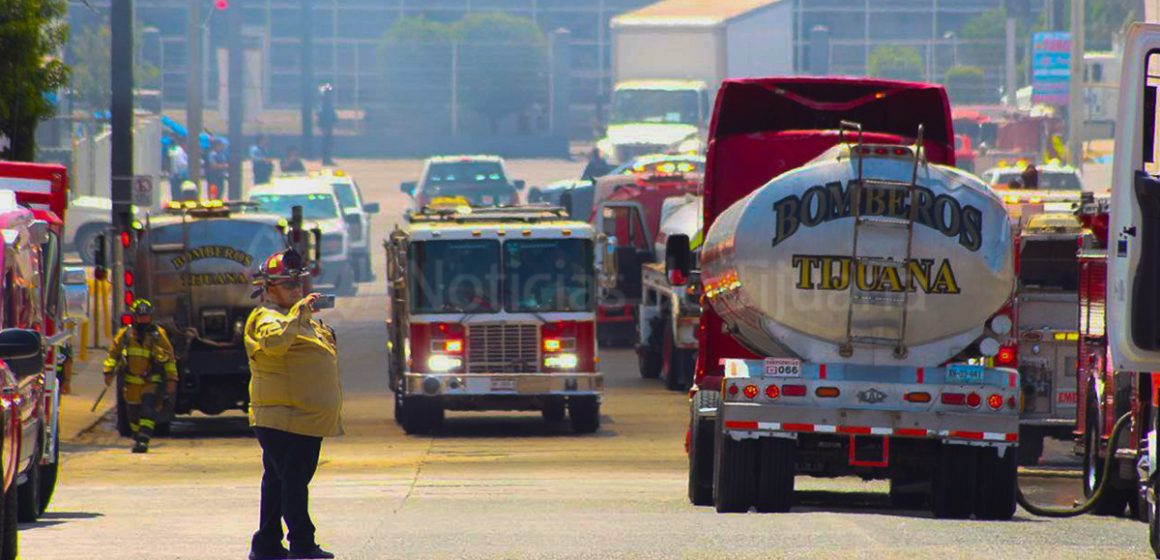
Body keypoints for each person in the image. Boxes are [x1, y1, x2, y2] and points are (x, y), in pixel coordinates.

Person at [246, 248, 341, 560]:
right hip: (285, 418)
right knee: (294, 482)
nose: (297, 291)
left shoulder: (295, 317)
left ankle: (267, 544)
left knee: (277, 481)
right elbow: (274, 344)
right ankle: (302, 544)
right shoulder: (266, 318)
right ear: (269, 288)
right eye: (289, 285)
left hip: (300, 418)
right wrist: (301, 312)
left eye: (299, 284)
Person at [102, 299, 177, 454]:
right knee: (134, 414)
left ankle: (144, 440)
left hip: (151, 381)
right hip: (131, 383)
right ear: (135, 316)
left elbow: (169, 357)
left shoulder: (158, 335)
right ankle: (138, 436)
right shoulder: (125, 334)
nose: (143, 319)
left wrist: (171, 378)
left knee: (147, 410)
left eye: (146, 316)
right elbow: (113, 353)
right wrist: (108, 371)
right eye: (140, 316)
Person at [316, 83, 338, 166]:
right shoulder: (323, 103)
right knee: (326, 142)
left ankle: (327, 159)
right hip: (326, 125)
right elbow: (320, 114)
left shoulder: (326, 102)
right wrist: (322, 125)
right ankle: (326, 159)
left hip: (328, 124)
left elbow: (331, 113)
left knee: (328, 142)